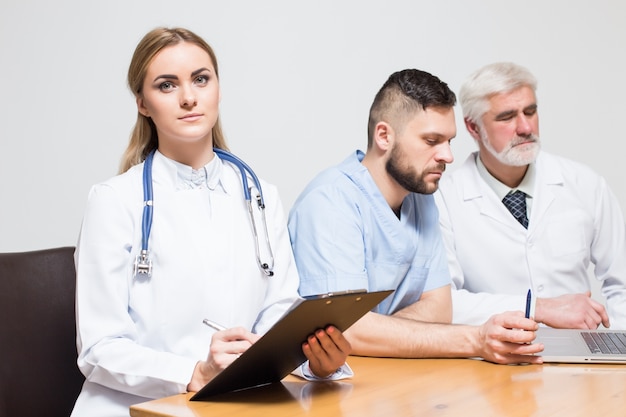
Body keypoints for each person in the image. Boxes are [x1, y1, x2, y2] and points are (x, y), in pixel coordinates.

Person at [71, 27, 350, 417]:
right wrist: (194, 371)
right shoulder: (114, 201)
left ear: (218, 88)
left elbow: (277, 312)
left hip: (233, 404)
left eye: (201, 79)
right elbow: (99, 348)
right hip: (133, 407)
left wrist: (314, 360)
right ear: (143, 104)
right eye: (167, 86)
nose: (188, 97)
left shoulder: (260, 196)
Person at [288, 68, 544, 364]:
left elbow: (439, 309)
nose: (447, 156)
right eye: (431, 141)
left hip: (397, 377)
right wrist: (475, 338)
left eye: (449, 141)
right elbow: (346, 329)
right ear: (383, 136)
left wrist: (379, 331)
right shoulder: (330, 202)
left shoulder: (421, 200)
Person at [434, 62, 626, 330]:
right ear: (473, 127)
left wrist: (616, 348)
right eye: (507, 117)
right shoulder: (443, 200)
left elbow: (622, 280)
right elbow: (443, 304)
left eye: (531, 111)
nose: (525, 127)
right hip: (492, 359)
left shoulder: (585, 184)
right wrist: (536, 308)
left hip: (581, 356)